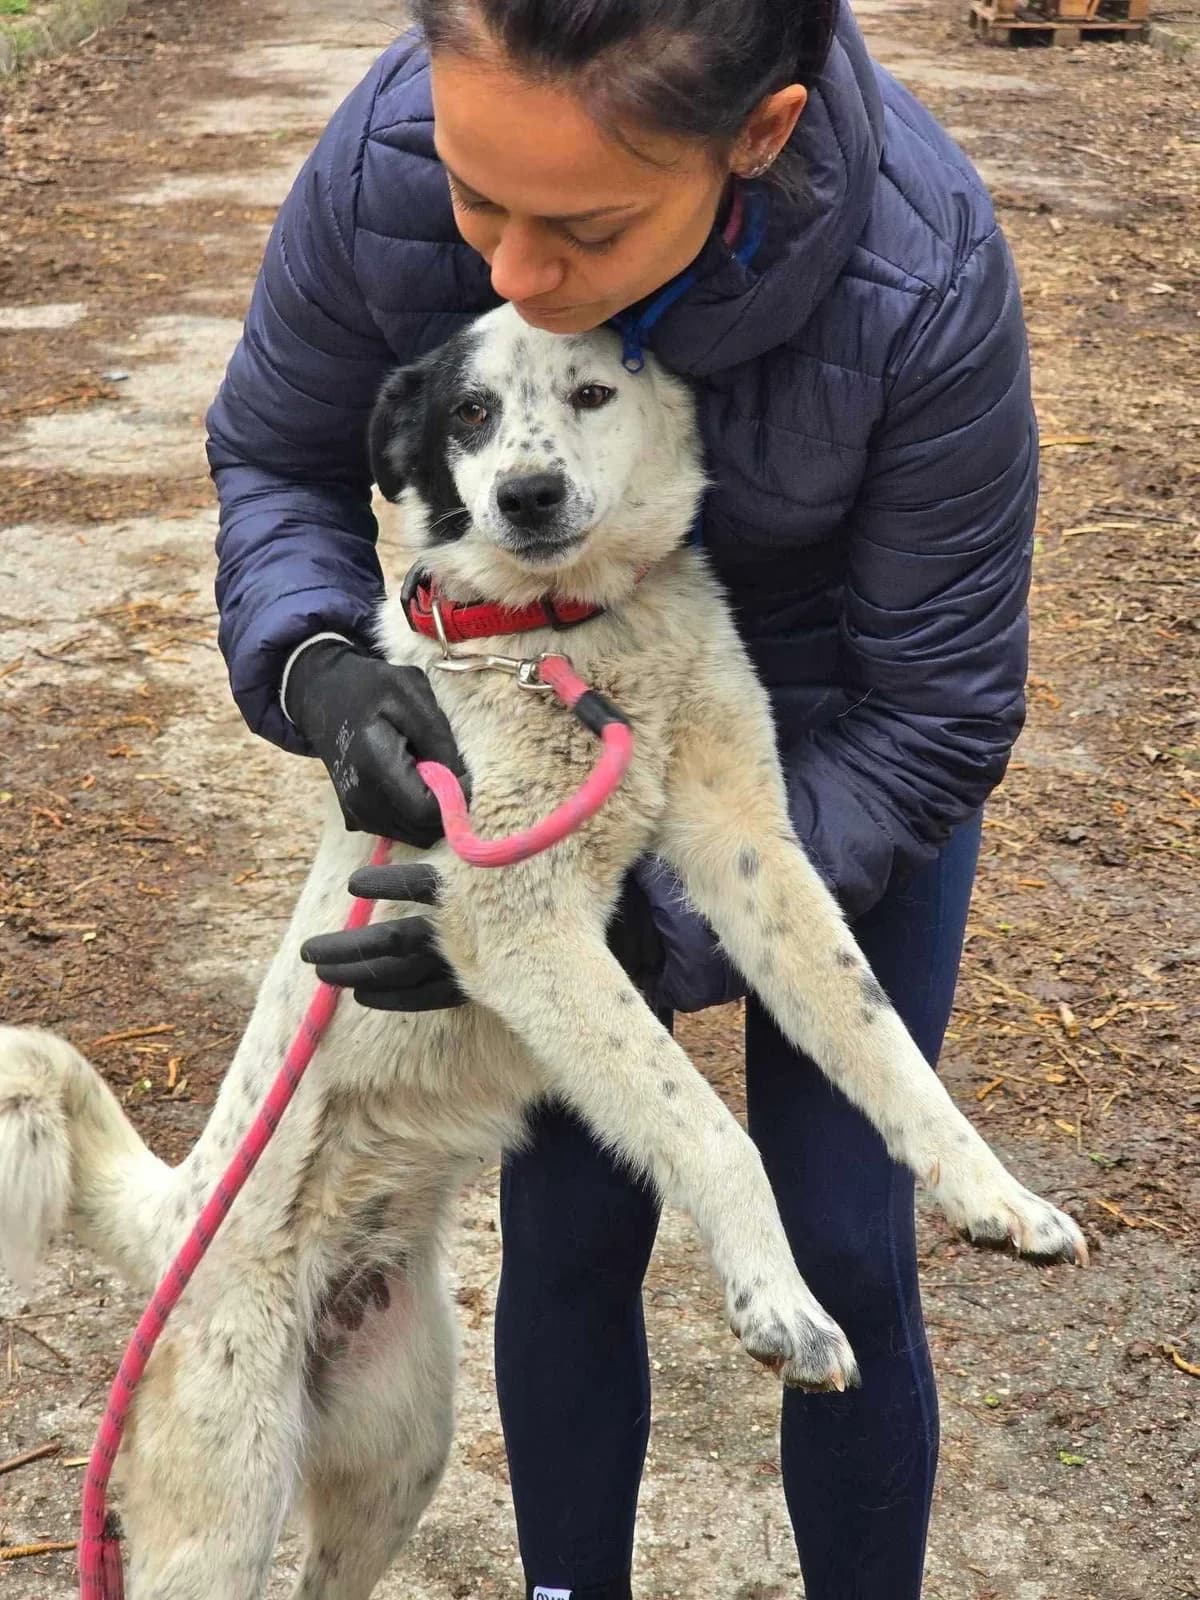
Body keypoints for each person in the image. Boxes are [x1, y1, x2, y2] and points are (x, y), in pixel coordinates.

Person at [205, 2, 1038, 1595]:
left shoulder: (921, 271)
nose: (510, 273)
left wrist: (638, 944)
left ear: (761, 135)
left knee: (848, 1243)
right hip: (551, 725)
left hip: (833, 733)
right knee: (575, 1236)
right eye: (475, 202)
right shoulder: (387, 150)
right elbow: (280, 448)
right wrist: (315, 655)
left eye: (582, 226)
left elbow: (938, 710)